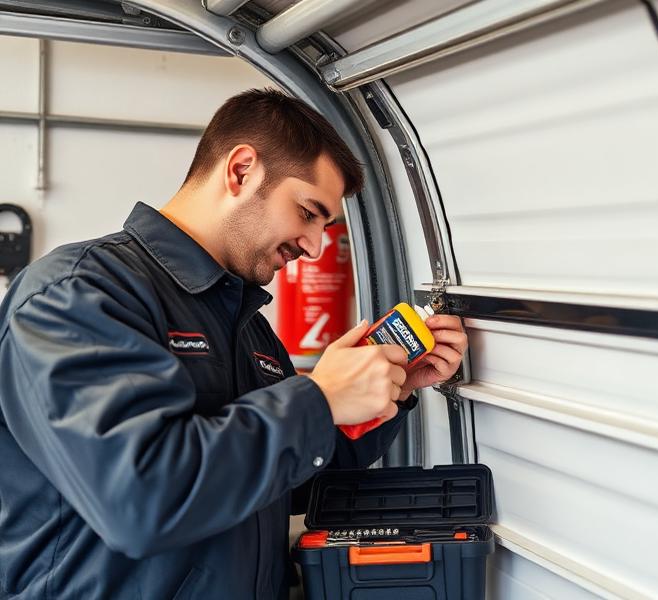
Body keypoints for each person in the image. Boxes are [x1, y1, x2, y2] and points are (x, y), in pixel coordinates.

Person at [0, 89, 467, 599]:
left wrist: (389, 390)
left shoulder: (246, 324)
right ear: (242, 170)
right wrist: (319, 398)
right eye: (308, 212)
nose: (314, 247)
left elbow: (284, 481)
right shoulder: (79, 294)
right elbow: (141, 498)